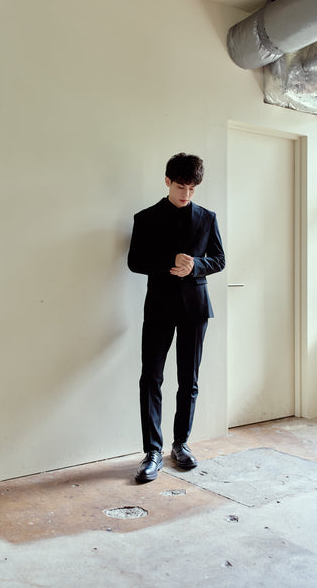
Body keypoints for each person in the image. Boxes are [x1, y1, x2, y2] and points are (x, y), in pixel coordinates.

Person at [127, 153, 225, 482]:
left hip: (196, 309)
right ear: (168, 181)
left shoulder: (207, 218)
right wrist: (172, 262)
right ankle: (152, 452)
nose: (186, 194)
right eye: (181, 186)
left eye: (193, 188)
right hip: (159, 306)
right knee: (151, 378)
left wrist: (195, 265)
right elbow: (135, 261)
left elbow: (219, 259)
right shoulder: (146, 218)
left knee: (189, 380)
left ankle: (180, 445)